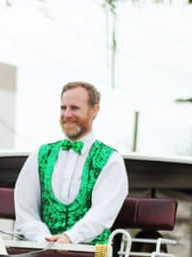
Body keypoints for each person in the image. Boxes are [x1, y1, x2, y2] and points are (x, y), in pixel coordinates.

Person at [14, 81, 129, 244]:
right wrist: (43, 239)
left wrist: (71, 237)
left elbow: (103, 212)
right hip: (41, 253)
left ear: (94, 110)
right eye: (63, 108)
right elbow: (25, 208)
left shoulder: (110, 160)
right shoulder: (40, 155)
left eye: (74, 108)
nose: (67, 114)